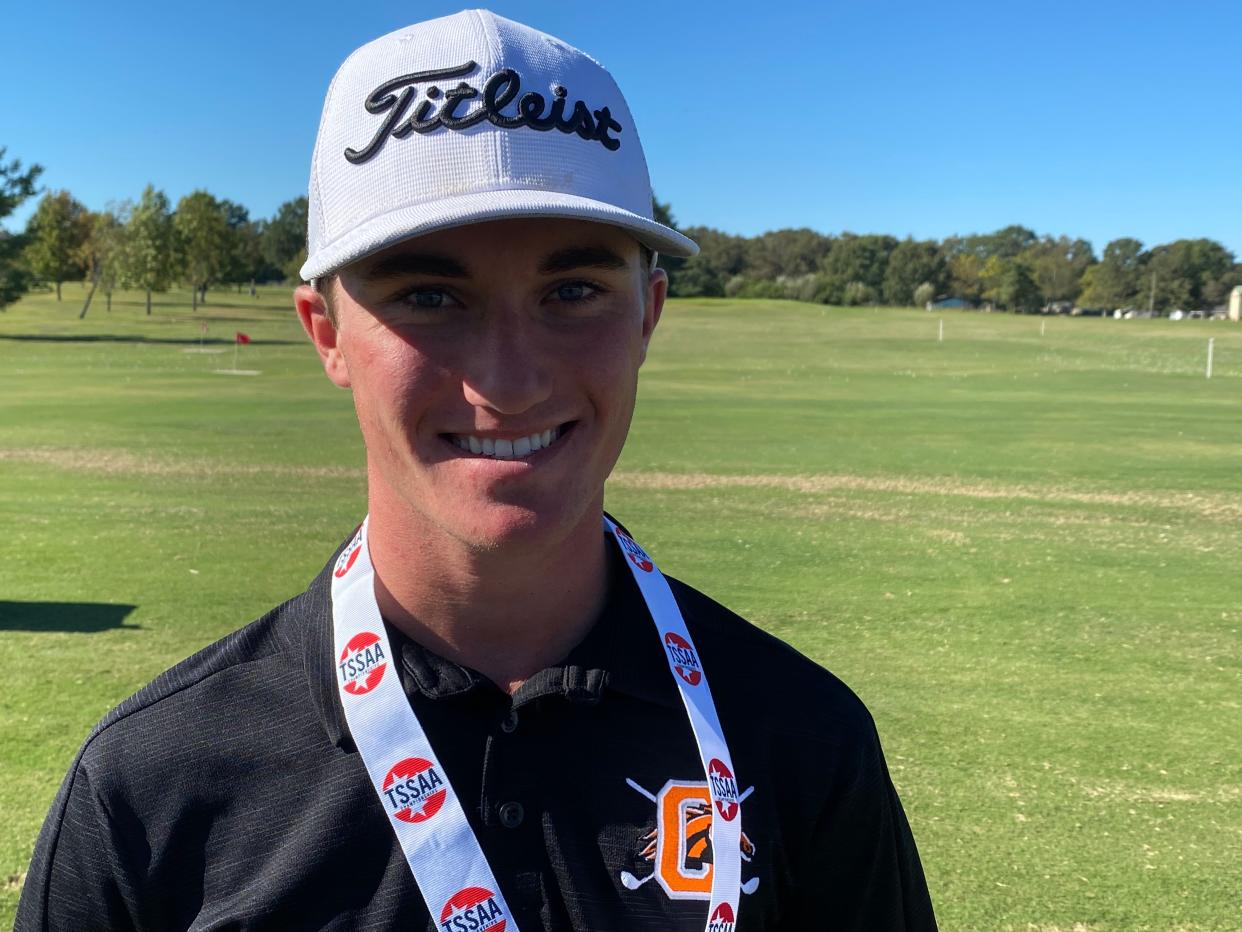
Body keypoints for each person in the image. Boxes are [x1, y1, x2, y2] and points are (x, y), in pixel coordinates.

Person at [16, 10, 936, 931]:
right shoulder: (149, 786)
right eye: (429, 296)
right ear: (326, 333)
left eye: (572, 292)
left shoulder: (805, 741)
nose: (509, 382)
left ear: (648, 316)